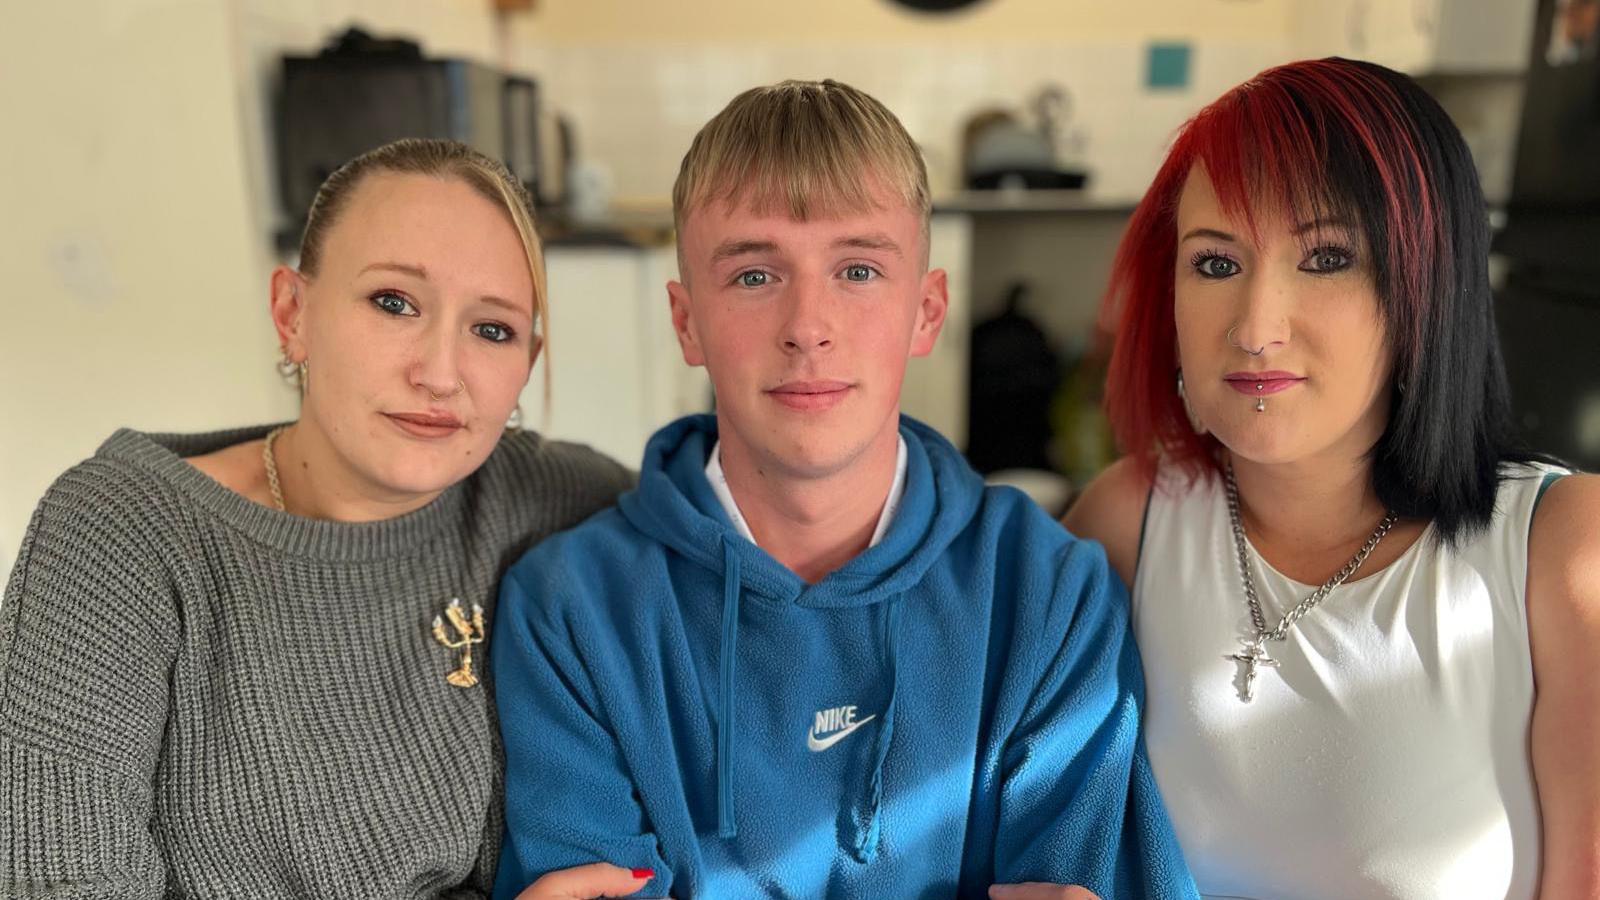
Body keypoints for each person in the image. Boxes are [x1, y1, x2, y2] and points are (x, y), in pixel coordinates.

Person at [491, 79, 1197, 900]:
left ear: (927, 311)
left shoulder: (1050, 594)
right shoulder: (569, 609)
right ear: (687, 322)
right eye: (755, 276)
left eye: (858, 269)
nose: (808, 325)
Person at [0, 139, 633, 897]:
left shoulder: (543, 497)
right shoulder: (122, 533)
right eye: (394, 303)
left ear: (525, 365)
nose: (439, 373)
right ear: (292, 314)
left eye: (491, 330)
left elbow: (749, 522)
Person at [1063, 58, 1600, 899]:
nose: (1255, 327)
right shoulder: (1125, 526)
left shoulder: (1565, 553)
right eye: (1214, 263)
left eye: (1325, 257)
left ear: (1427, 287)